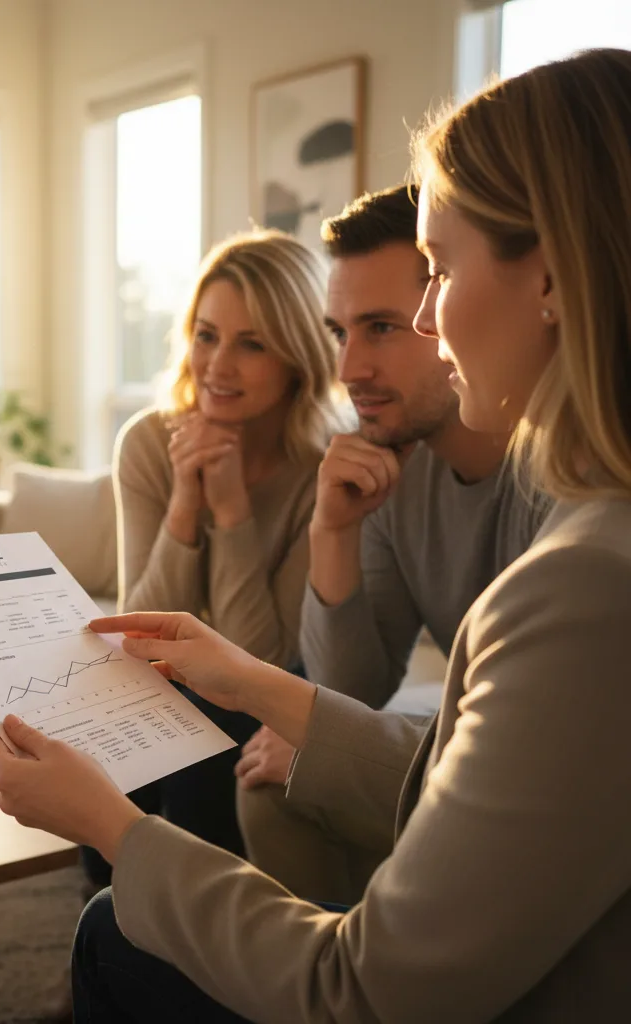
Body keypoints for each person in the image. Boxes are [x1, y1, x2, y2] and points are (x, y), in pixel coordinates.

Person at [0, 48, 631, 1022]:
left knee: (113, 930)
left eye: (439, 271)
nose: (427, 321)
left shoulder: (585, 582)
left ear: (549, 277)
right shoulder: (536, 519)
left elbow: (363, 989)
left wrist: (115, 827)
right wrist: (247, 676)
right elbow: (469, 766)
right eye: (345, 330)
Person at [233, 186, 552, 903]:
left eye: (380, 328)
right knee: (269, 779)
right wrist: (333, 531)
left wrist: (335, 747)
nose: (349, 369)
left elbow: (529, 754)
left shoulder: (563, 468)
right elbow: (349, 693)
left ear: (448, 307)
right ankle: (339, 968)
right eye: (340, 332)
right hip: (462, 762)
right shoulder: (388, 463)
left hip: (537, 794)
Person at [81, 228, 340, 886]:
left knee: (209, 744)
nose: (217, 366)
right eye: (206, 335)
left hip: (265, 685)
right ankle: (118, 904)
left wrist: (231, 510)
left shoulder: (321, 470)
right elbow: (135, 631)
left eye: (251, 344)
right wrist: (184, 503)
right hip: (163, 672)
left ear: (297, 357)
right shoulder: (148, 442)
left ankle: (202, 917)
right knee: (107, 730)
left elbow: (259, 661)